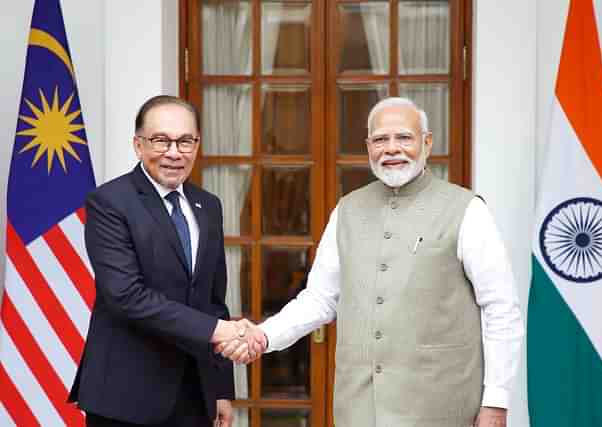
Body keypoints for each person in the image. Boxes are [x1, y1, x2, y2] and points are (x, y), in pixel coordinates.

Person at [218, 97, 524, 427]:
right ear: (368, 147)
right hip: (360, 408)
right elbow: (320, 299)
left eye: (404, 137)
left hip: (441, 407)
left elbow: (500, 308)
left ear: (427, 142)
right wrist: (264, 336)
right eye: (380, 139)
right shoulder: (347, 210)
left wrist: (496, 400)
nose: (392, 149)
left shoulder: (467, 210)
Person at [69, 95, 264, 427]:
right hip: (126, 396)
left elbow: (213, 300)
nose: (174, 153)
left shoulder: (209, 205)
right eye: (161, 141)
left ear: (197, 145)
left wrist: (219, 389)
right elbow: (126, 296)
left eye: (185, 141)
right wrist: (220, 331)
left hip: (194, 394)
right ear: (138, 145)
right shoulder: (110, 202)